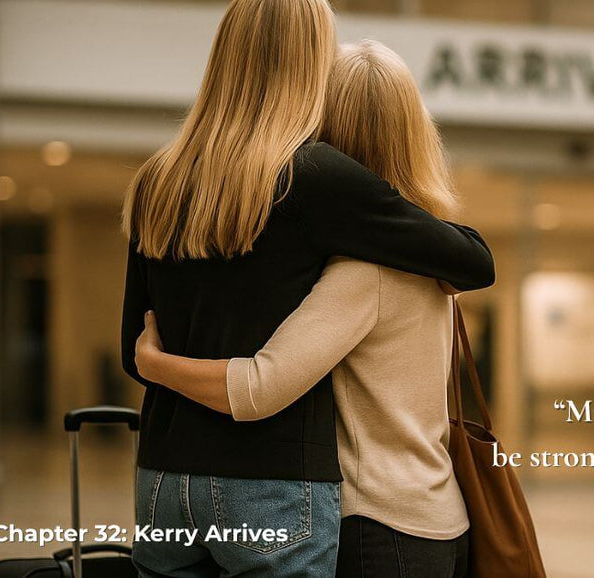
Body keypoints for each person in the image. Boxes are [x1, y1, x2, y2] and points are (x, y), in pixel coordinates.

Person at [120, 3, 494, 576]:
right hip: (269, 478)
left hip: (163, 474)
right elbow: (471, 261)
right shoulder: (314, 176)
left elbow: (134, 351)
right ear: (312, 59)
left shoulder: (155, 180)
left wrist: (156, 364)